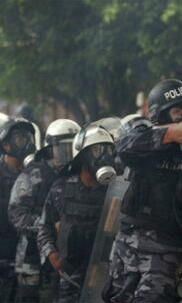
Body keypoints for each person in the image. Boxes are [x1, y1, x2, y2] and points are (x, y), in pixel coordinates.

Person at [102, 79, 182, 303]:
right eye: (177, 110)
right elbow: (124, 149)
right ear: (159, 115)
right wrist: (168, 134)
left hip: (166, 248)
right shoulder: (146, 135)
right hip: (128, 242)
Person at [37, 125, 116, 303]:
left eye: (108, 150)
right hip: (69, 279)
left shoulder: (114, 190)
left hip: (102, 278)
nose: (104, 156)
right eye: (97, 151)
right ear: (82, 155)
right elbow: (45, 226)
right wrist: (51, 254)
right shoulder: (61, 187)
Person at [9, 119, 80, 303]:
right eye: (63, 147)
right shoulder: (35, 174)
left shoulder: (79, 174)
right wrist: (47, 226)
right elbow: (16, 213)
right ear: (50, 148)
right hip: (32, 259)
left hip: (68, 258)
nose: (68, 153)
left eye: (72, 147)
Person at [0, 115, 37, 303]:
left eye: (30, 139)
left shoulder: (36, 176)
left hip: (29, 263)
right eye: (21, 139)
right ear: (6, 145)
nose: (28, 145)